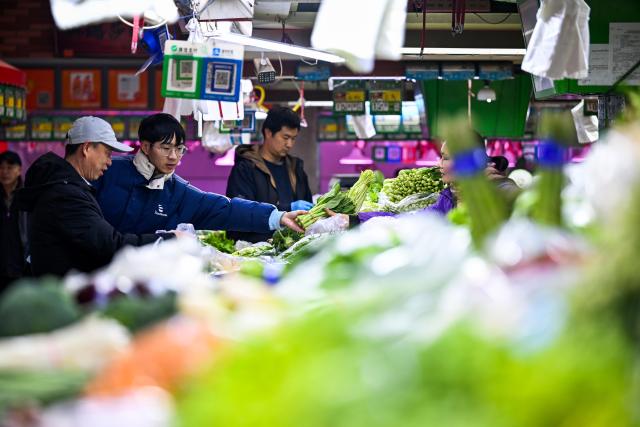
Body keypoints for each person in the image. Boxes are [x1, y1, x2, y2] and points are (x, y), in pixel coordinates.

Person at [93, 113, 304, 243]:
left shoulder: (178, 191)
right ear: (146, 147)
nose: (174, 157)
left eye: (180, 149)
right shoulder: (109, 171)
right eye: (166, 148)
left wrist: (277, 217)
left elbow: (225, 208)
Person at [15, 116, 176, 277]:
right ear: (86, 148)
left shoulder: (65, 187)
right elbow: (111, 245)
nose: (109, 162)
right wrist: (171, 239)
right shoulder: (65, 195)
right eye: (107, 153)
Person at [226, 107, 313, 242]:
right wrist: (287, 209)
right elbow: (239, 212)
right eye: (285, 137)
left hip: (292, 248)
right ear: (268, 132)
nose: (289, 144)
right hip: (254, 249)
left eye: (293, 138)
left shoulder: (297, 169)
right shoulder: (245, 168)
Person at [0, 151, 28, 291]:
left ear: (19, 170)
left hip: (20, 267)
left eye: (9, 168)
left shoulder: (26, 197)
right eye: (1, 168)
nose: (4, 172)